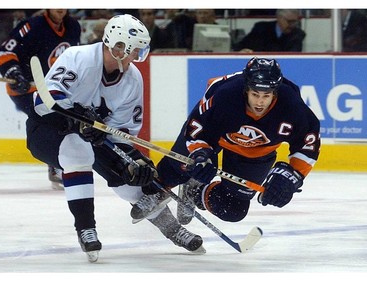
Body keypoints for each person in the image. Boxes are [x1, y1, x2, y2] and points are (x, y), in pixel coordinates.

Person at [25, 14, 205, 262]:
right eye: (135, 51)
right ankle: (86, 228)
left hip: (92, 135)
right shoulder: (79, 58)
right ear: (119, 48)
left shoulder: (132, 79)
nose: (136, 57)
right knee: (78, 150)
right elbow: (42, 103)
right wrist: (77, 119)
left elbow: (121, 133)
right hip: (46, 131)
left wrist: (133, 161)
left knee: (131, 178)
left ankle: (174, 230)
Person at [131, 57, 321, 229]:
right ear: (246, 88)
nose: (260, 102)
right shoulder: (224, 94)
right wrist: (200, 155)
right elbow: (196, 129)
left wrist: (292, 175)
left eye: (266, 96)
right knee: (178, 167)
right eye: (255, 94)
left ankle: (196, 190)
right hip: (214, 138)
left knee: (233, 209)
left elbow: (308, 144)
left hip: (255, 152)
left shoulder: (292, 105)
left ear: (275, 93)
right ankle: (160, 188)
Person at [0, 9, 81, 190]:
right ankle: (56, 164)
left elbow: (76, 59)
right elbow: (4, 52)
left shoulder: (73, 27)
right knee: (53, 118)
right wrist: (14, 73)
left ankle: (56, 162)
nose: (60, 8)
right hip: (26, 90)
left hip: (55, 90)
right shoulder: (31, 26)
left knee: (66, 118)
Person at [232, 9, 306, 52]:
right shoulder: (261, 28)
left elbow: (291, 56)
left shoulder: (298, 34)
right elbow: (240, 46)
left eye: (295, 22)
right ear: (279, 18)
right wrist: (241, 52)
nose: (292, 25)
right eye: (290, 21)